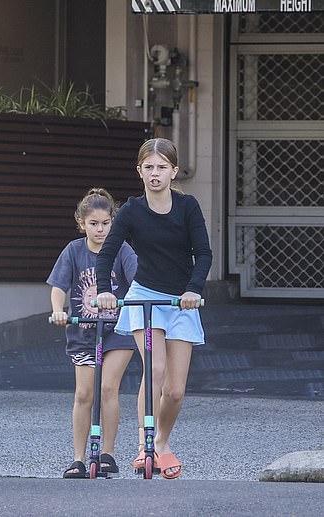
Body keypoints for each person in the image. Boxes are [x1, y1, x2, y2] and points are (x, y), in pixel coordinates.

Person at [95, 138, 212, 479]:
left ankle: (161, 441)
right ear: (139, 171)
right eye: (149, 167)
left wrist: (193, 289)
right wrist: (105, 291)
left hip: (179, 300)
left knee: (174, 390)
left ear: (174, 171)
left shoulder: (187, 206)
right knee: (155, 370)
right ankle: (145, 445)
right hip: (146, 297)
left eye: (162, 167)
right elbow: (108, 253)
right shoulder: (131, 209)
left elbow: (202, 253)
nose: (155, 174)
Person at [48, 188, 137, 478]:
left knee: (108, 387)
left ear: (113, 222)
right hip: (84, 332)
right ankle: (78, 458)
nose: (100, 229)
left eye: (106, 223)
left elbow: (138, 279)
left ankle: (108, 454)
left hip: (117, 331)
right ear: (82, 223)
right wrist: (59, 309)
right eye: (93, 224)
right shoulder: (73, 251)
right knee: (84, 393)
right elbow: (59, 286)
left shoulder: (121, 249)